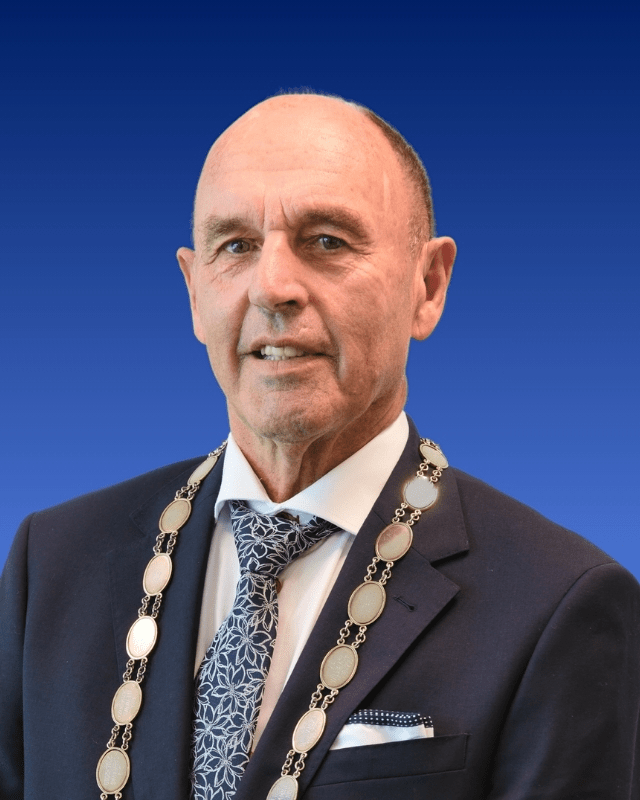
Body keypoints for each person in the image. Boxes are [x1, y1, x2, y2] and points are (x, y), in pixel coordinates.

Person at [1, 92, 639, 800]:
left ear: (427, 286)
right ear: (194, 292)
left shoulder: (558, 605)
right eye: (236, 245)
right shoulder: (51, 566)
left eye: (327, 241)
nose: (272, 287)